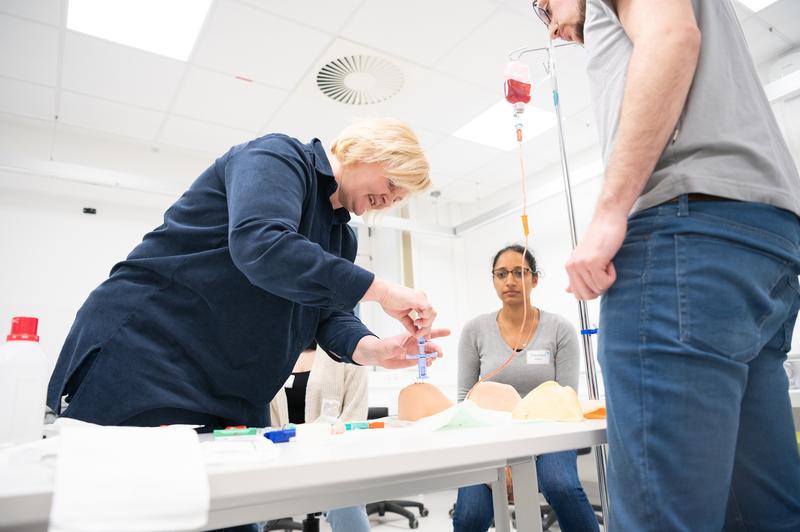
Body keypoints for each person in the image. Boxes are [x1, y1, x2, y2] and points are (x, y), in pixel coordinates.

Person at [46, 117, 448, 531]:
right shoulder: (278, 157)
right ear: (368, 152)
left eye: (401, 197)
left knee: (238, 515)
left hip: (234, 390)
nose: (391, 199)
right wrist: (381, 290)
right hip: (151, 358)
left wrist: (373, 350)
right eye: (394, 184)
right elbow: (263, 244)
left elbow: (326, 315)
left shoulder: (341, 238)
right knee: (140, 511)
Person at [534, 0, 800, 529]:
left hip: (684, 239)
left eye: (544, 6)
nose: (550, 22)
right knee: (764, 512)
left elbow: (673, 38)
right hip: (764, 243)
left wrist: (610, 213)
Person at [452, 245, 599, 532]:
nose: (510, 281)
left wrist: (529, 453)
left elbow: (566, 400)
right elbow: (463, 402)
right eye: (502, 273)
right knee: (471, 514)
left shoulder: (560, 329)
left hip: (550, 435)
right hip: (490, 438)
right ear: (493, 280)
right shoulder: (475, 331)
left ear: (534, 280)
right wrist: (498, 462)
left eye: (519, 273)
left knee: (561, 485)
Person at [269, 342, 371, 532]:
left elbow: (354, 416)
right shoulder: (274, 352)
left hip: (332, 460)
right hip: (279, 459)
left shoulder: (347, 350)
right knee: (241, 508)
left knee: (347, 504)